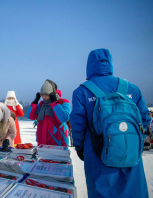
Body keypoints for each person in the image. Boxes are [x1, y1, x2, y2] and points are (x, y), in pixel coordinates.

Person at [70, 49, 151, 198]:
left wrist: (80, 147)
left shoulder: (82, 92)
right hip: (130, 152)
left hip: (98, 153)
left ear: (89, 66)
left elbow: (78, 125)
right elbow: (145, 119)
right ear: (110, 64)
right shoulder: (132, 88)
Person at [27, 79, 71, 146]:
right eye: (42, 94)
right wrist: (35, 102)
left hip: (58, 143)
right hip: (42, 142)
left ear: (52, 93)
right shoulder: (42, 104)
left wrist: (55, 103)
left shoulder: (63, 102)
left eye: (46, 94)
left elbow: (63, 118)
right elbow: (31, 116)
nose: (43, 97)